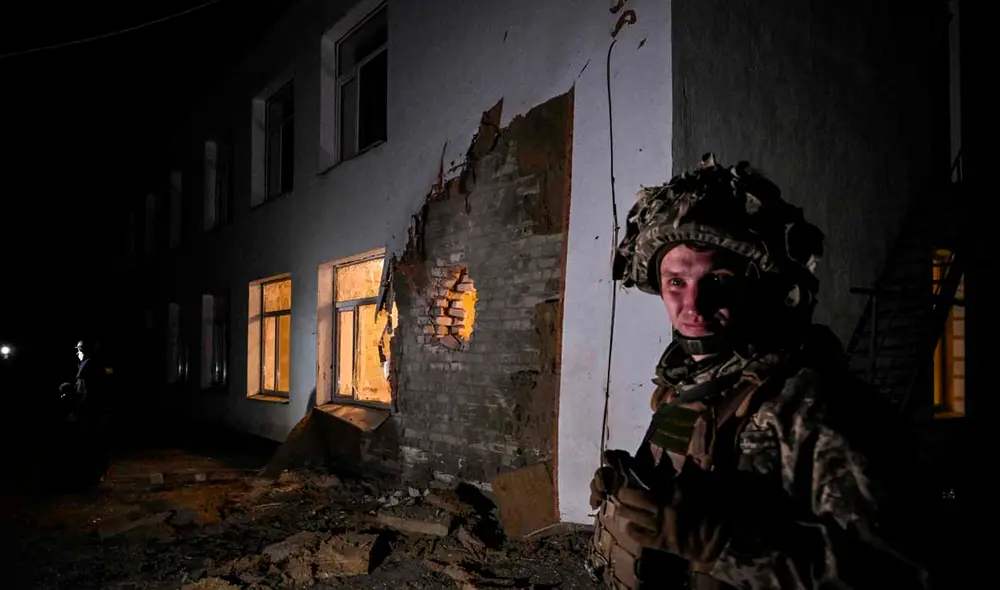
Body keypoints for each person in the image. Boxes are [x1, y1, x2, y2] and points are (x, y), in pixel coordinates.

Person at [585, 154, 928, 589]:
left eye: (717, 282)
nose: (693, 306)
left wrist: (724, 547)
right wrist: (629, 484)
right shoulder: (685, 387)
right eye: (676, 282)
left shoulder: (810, 407)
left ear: (755, 284)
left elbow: (896, 574)